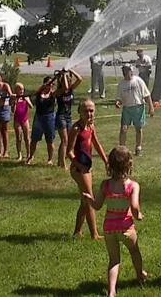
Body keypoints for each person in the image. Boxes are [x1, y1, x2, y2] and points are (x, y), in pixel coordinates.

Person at [82, 146, 147, 297]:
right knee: (134, 251)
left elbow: (97, 206)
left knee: (114, 260)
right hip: (126, 227)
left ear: (110, 165)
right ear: (129, 165)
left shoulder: (106, 185)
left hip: (109, 227)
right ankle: (140, 275)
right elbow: (135, 206)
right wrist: (138, 215)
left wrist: (89, 199)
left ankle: (111, 291)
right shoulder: (132, 186)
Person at [67, 99, 108, 239]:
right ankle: (94, 234)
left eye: (91, 111)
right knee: (90, 199)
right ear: (79, 112)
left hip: (86, 168)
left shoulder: (91, 127)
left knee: (85, 201)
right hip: (78, 169)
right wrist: (79, 166)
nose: (89, 113)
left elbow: (97, 144)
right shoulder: (76, 129)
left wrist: (106, 161)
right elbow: (69, 152)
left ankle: (77, 232)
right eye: (86, 111)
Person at [115, 65, 155, 157]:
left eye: (128, 71)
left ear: (131, 71)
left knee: (138, 128)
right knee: (124, 129)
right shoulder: (121, 84)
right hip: (127, 109)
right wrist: (118, 102)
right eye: (124, 71)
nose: (126, 73)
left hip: (138, 107)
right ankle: (122, 149)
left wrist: (151, 107)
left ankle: (138, 148)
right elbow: (119, 98)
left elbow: (146, 95)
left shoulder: (138, 81)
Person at [27, 75, 58, 165]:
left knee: (50, 140)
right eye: (49, 83)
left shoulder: (53, 94)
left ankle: (50, 159)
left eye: (52, 84)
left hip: (49, 118)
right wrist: (44, 86)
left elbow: (62, 89)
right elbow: (37, 92)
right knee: (34, 139)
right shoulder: (39, 93)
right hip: (38, 118)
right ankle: (30, 157)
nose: (50, 85)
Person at [56, 69, 83, 169]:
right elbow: (65, 87)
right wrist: (63, 75)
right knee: (64, 140)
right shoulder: (58, 92)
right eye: (65, 80)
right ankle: (63, 164)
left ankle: (59, 161)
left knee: (67, 140)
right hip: (61, 116)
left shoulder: (71, 89)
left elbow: (80, 79)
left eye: (68, 79)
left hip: (68, 117)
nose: (68, 81)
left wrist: (70, 70)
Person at [12, 83, 33, 162]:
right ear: (16, 90)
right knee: (18, 138)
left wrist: (27, 101)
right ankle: (19, 155)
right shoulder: (14, 98)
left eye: (22, 89)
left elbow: (31, 106)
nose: (21, 91)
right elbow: (12, 111)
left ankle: (29, 154)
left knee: (27, 138)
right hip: (17, 120)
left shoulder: (25, 97)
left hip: (25, 119)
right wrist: (14, 102)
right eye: (20, 89)